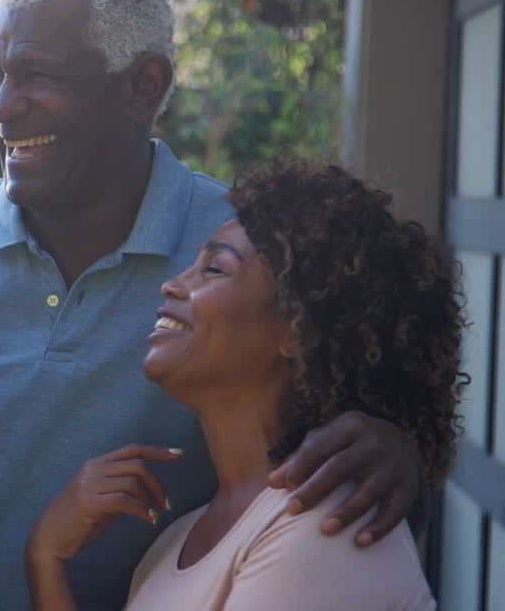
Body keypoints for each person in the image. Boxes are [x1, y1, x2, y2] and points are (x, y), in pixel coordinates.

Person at [0, 0, 425, 610]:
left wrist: (398, 446)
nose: (2, 106)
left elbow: (361, 470)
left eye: (35, 73)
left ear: (142, 86)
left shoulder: (251, 255)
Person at [26, 160, 462, 610]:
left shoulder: (321, 530)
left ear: (297, 330)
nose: (173, 284)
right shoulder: (177, 542)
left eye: (214, 268)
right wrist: (45, 558)